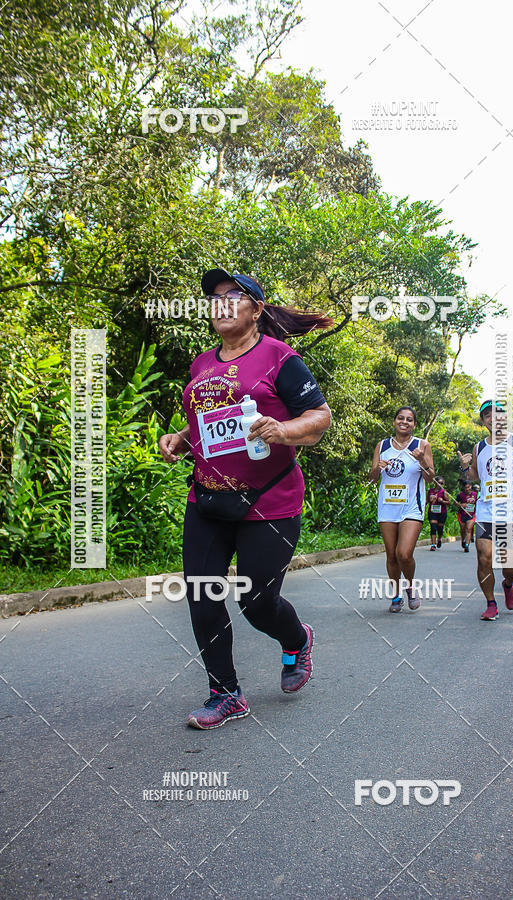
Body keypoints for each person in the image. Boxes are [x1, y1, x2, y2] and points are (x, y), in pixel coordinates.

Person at [159, 268, 332, 730]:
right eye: (214, 297)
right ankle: (226, 692)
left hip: (268, 501)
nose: (221, 303)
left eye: (233, 296)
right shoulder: (200, 365)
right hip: (207, 500)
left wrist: (284, 429)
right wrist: (179, 438)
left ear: (256, 309)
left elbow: (319, 417)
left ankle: (296, 638)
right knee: (202, 593)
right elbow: (212, 426)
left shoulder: (280, 357)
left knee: (257, 603)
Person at [457, 400, 513, 621]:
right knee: (484, 558)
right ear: (483, 421)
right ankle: (490, 603)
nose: (493, 418)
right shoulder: (480, 447)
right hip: (486, 512)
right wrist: (466, 467)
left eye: (497, 414)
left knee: (511, 566)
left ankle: (507, 584)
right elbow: (475, 476)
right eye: (487, 415)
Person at [368, 407, 436, 613]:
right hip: (387, 507)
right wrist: (376, 469)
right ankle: (396, 595)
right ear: (395, 421)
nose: (404, 422)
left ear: (414, 424)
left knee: (404, 554)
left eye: (409, 419)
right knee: (391, 555)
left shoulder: (422, 445)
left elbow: (430, 478)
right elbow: (372, 478)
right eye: (400, 418)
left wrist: (422, 460)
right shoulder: (382, 445)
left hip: (411, 507)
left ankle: (411, 586)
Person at [426, 476, 451, 550]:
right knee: (433, 527)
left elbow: (449, 502)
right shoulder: (430, 491)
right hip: (432, 512)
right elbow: (427, 501)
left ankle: (439, 539)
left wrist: (442, 501)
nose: (440, 484)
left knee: (440, 528)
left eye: (442, 483)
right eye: (439, 483)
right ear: (435, 483)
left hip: (442, 513)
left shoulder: (444, 492)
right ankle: (433, 544)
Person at [456, 480, 477, 552]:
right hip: (462, 514)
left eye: (469, 487)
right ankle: (463, 540)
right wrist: (461, 505)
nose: (467, 489)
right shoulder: (460, 495)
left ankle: (467, 545)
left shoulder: (475, 494)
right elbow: (455, 503)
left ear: (471, 486)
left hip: (471, 515)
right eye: (466, 487)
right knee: (463, 529)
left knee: (468, 529)